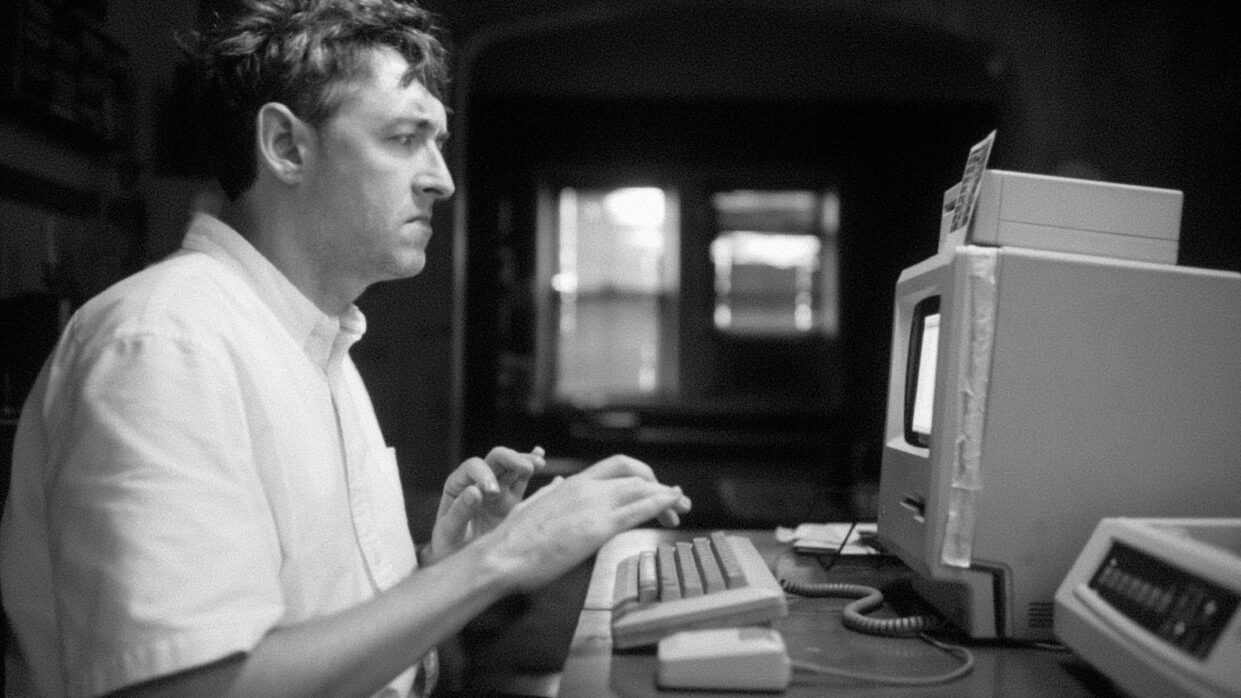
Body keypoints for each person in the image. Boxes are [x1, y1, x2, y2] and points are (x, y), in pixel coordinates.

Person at [0, 1, 692, 696]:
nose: (441, 179)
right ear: (286, 147)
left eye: (438, 142)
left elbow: (312, 631)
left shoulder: (309, 336)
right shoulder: (163, 345)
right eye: (402, 139)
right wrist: (505, 558)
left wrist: (442, 565)